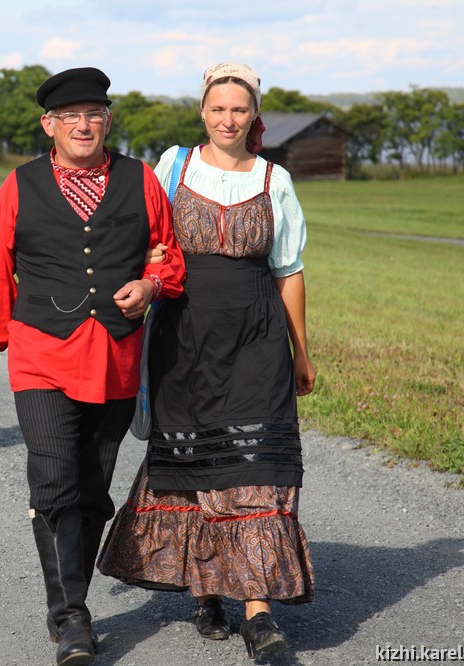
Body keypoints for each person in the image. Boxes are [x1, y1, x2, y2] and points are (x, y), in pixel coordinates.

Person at [0, 67, 186, 666]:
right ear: (50, 126)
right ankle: (71, 617)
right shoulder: (19, 186)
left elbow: (172, 257)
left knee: (92, 488)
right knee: (55, 478)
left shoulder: (140, 180)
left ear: (106, 121)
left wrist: (150, 283)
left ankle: (71, 603)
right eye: (70, 117)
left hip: (114, 356)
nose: (83, 125)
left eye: (94, 115)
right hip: (40, 353)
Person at [97, 63, 316, 661]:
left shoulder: (276, 180)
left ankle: (259, 613)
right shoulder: (173, 167)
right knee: (197, 459)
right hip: (183, 336)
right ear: (203, 113)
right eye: (218, 109)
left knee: (256, 463)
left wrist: (302, 350)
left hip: (257, 335)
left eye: (238, 110)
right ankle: (206, 587)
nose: (227, 119)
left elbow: (289, 270)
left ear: (253, 116)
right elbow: (146, 238)